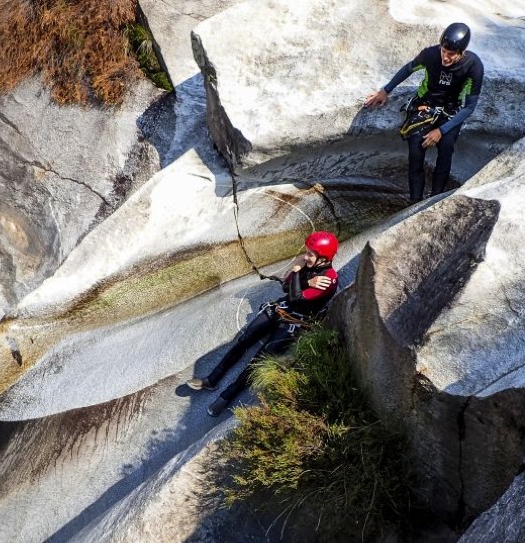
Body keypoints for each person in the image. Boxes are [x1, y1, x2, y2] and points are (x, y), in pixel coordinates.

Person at [188, 231, 339, 416]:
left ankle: (226, 397)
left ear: (323, 259)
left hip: (296, 321)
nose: (305, 256)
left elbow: (296, 297)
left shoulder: (328, 280)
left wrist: (298, 272)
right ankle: (211, 379)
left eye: (310, 254)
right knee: (244, 340)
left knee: (258, 360)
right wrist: (303, 276)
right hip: (282, 308)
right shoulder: (307, 266)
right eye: (307, 252)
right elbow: (285, 286)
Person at [364, 22, 484, 204]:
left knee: (446, 148)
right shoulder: (430, 54)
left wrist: (441, 131)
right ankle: (414, 202)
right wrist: (385, 90)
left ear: (462, 52)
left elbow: (469, 107)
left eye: (451, 54)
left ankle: (435, 199)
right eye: (444, 51)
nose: (445, 57)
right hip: (425, 105)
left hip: (451, 111)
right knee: (416, 147)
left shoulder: (473, 66)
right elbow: (408, 68)